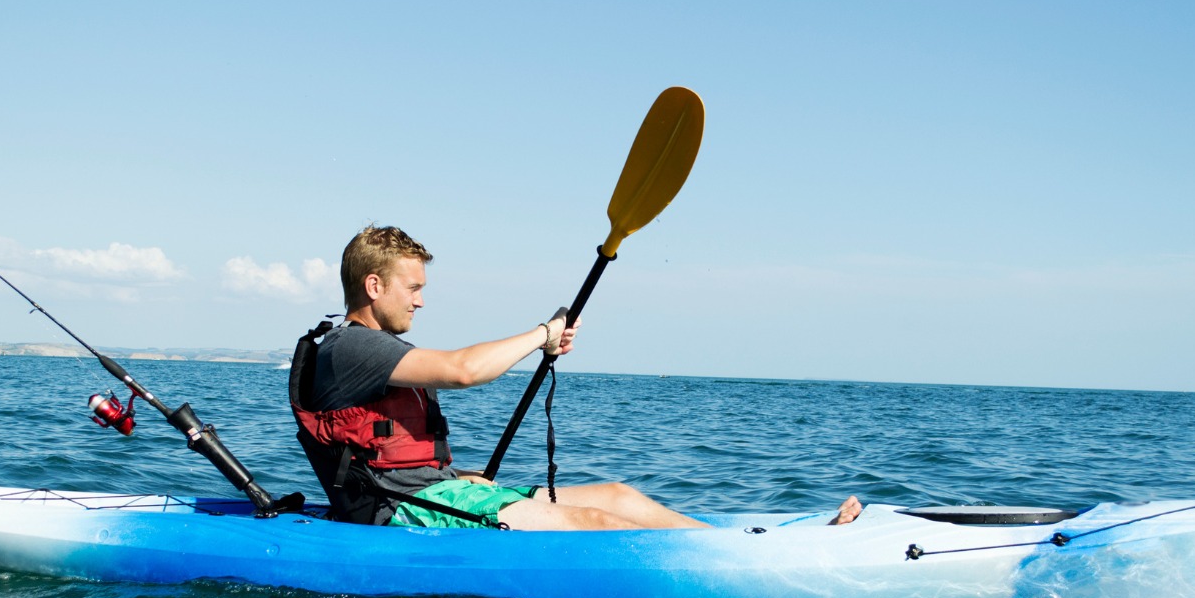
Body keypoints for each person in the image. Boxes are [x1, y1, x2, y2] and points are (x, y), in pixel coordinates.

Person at [292, 225, 862, 530]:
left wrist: (458, 473)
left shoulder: (373, 350)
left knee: (619, 496)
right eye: (412, 288)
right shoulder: (350, 347)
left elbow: (392, 449)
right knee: (590, 520)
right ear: (373, 287)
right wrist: (542, 333)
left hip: (432, 490)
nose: (421, 300)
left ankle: (736, 548)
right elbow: (463, 371)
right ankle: (737, 564)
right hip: (400, 512)